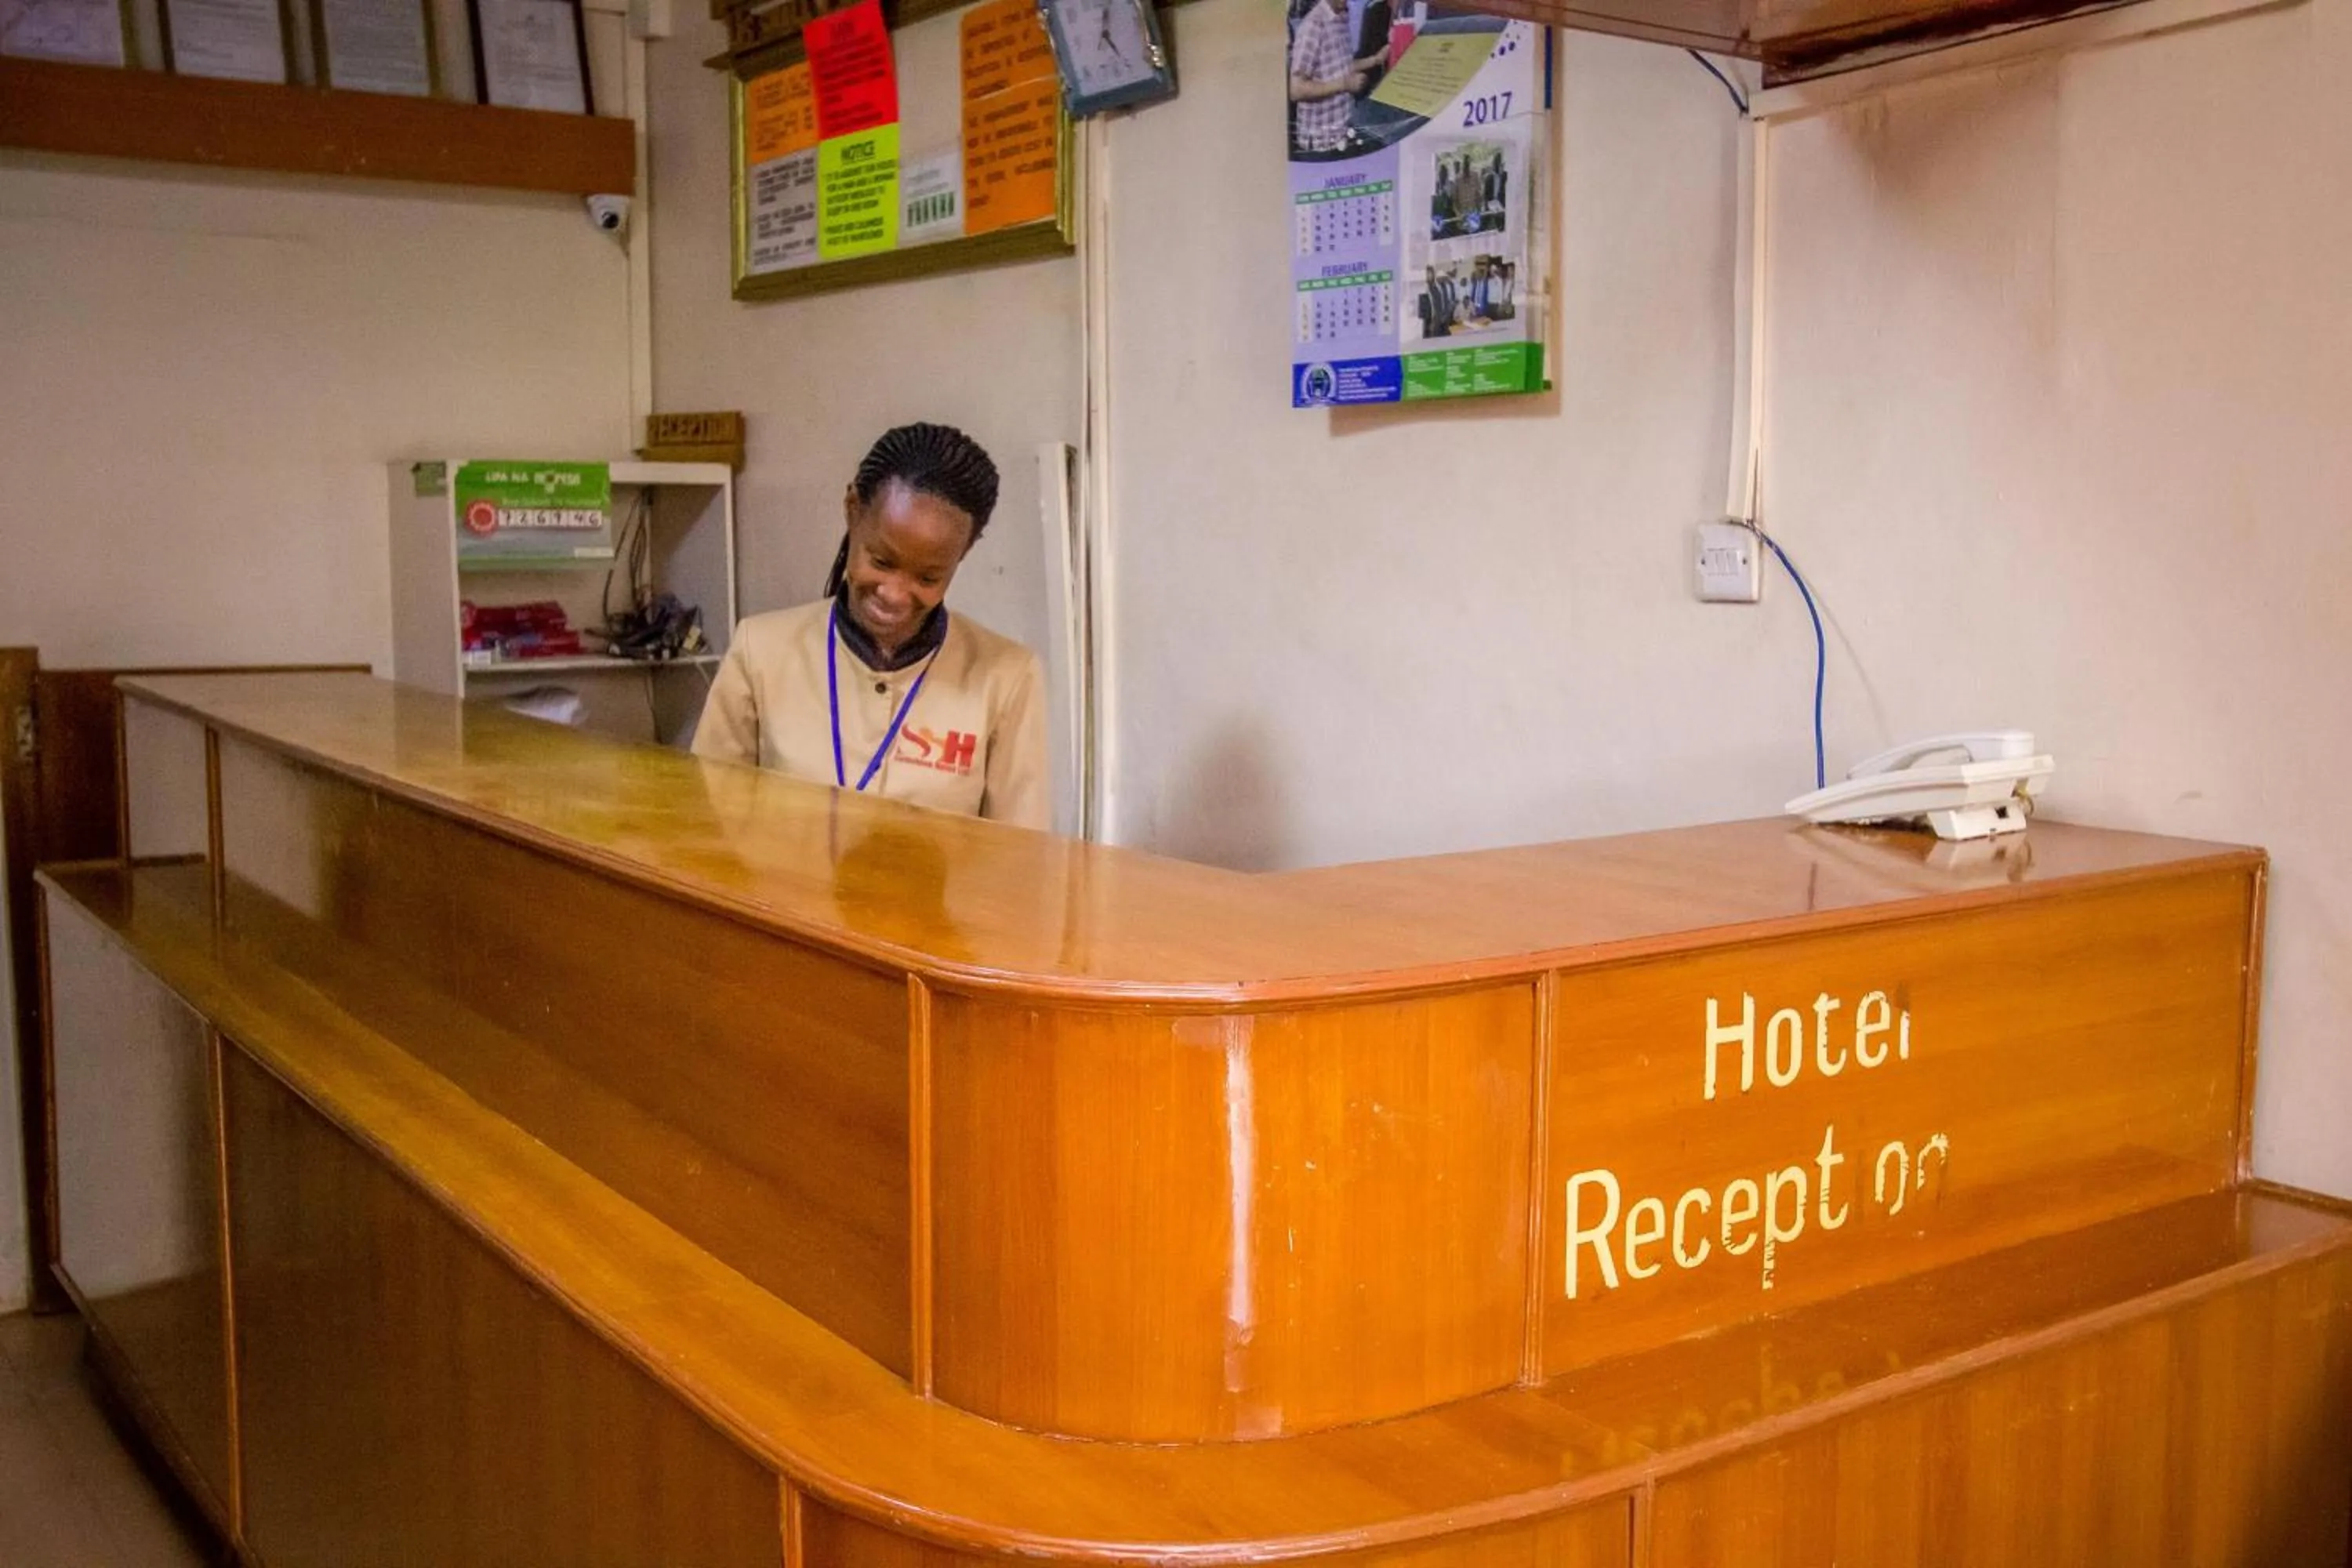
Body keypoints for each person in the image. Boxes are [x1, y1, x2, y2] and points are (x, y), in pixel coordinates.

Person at [692, 423, 1050, 829]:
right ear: (852, 509)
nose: (895, 595)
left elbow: (1020, 860)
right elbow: (710, 827)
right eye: (881, 561)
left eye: (928, 578)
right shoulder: (761, 650)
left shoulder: (1007, 676)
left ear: (964, 553)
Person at [1289, 0, 1382, 154]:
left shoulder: (1341, 18)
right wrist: (1345, 84)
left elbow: (1340, 65)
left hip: (1343, 132)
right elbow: (1296, 89)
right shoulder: (1313, 25)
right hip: (1320, 144)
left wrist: (1376, 59)